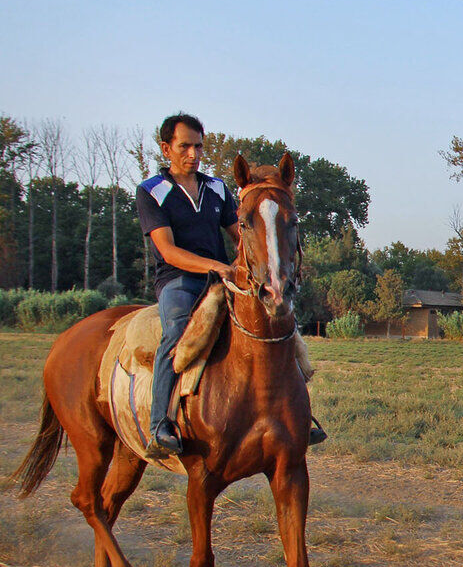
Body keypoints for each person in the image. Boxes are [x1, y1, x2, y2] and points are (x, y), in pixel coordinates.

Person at [135, 113, 325, 457]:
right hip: (178, 280)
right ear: (166, 149)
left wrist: (268, 259)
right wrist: (219, 266)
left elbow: (242, 234)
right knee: (176, 329)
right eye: (184, 147)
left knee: (279, 323)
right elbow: (168, 249)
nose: (193, 154)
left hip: (223, 277)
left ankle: (300, 415)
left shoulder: (217, 188)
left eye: (198, 147)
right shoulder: (152, 192)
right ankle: (159, 422)